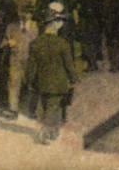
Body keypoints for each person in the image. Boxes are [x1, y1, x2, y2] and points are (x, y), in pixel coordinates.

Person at [23, 15, 77, 144]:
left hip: (41, 82)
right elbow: (69, 65)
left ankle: (53, 132)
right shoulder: (62, 43)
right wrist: (73, 78)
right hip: (59, 83)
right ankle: (46, 132)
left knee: (47, 105)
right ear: (56, 25)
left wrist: (29, 81)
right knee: (54, 107)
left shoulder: (35, 43)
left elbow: (31, 66)